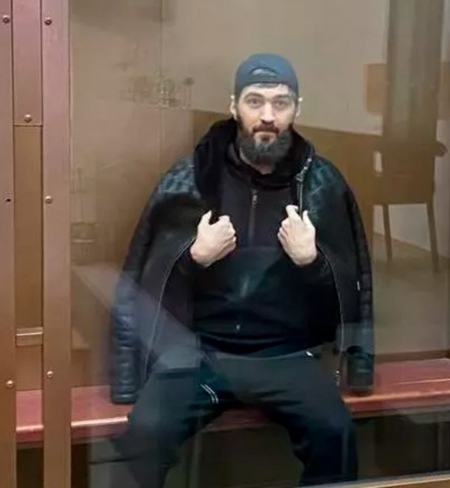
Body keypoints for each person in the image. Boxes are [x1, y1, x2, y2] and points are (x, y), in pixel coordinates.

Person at [109, 53, 374, 487]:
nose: (267, 115)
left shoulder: (322, 183)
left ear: (297, 109)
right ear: (233, 106)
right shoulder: (191, 177)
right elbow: (143, 277)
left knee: (335, 435)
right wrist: (194, 257)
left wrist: (312, 263)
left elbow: (353, 286)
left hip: (286, 354)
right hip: (199, 354)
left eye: (280, 103)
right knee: (144, 438)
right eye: (255, 101)